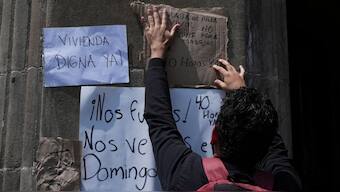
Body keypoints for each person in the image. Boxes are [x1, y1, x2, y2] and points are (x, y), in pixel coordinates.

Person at [143, 6, 302, 191]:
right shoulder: (285, 184)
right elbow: (275, 150)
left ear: (214, 136)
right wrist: (243, 96)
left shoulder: (187, 176)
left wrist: (156, 53)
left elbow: (160, 122)